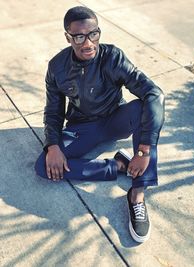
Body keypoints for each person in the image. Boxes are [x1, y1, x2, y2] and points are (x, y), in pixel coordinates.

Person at [35, 6, 165, 243]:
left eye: (94, 34)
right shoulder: (57, 67)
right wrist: (52, 145)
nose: (88, 43)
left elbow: (154, 93)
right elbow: (53, 111)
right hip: (82, 128)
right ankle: (119, 166)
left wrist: (144, 150)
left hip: (116, 121)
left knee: (140, 107)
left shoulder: (113, 57)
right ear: (68, 37)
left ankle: (137, 195)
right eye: (79, 36)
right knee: (44, 167)